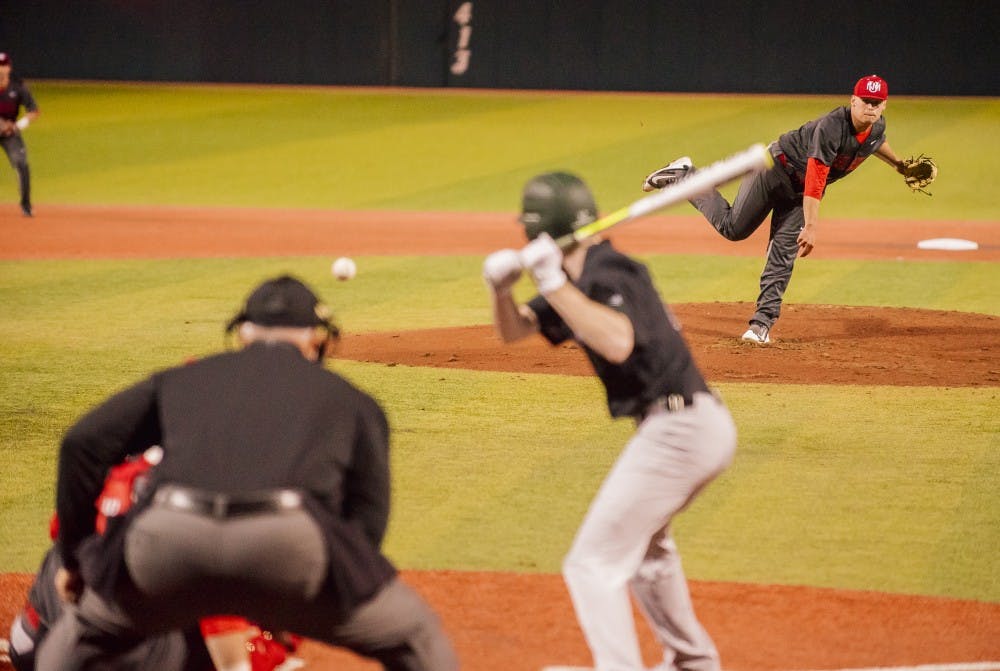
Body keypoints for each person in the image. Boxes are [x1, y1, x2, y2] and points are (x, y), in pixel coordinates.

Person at [36, 274, 459, 671]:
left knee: (77, 640)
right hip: (289, 546)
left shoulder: (183, 379)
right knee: (415, 634)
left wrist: (76, 561)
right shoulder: (352, 400)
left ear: (242, 334)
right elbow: (368, 522)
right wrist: (324, 592)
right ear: (316, 339)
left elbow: (81, 444)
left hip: (168, 540)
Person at [483, 173, 737, 671]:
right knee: (648, 551)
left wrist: (552, 282)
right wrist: (501, 291)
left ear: (537, 229)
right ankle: (693, 662)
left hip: (681, 428)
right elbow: (515, 331)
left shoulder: (609, 270)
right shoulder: (576, 279)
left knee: (592, 563)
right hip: (688, 426)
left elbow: (619, 342)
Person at [642, 74, 910, 344]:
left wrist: (900, 166)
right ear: (853, 101)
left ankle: (761, 324)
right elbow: (815, 179)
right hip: (773, 170)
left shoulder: (876, 127)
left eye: (877, 102)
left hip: (798, 192)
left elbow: (874, 143)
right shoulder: (831, 128)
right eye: (866, 101)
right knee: (733, 228)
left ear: (884, 105)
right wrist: (811, 226)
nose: (871, 107)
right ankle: (684, 175)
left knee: (783, 254)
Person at [8, 446, 299, 671]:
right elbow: (227, 643)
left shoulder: (123, 464)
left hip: (35, 644)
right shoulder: (210, 501)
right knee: (257, 646)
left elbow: (61, 527)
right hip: (125, 654)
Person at [0, 51, 39, 217]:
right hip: (4, 126)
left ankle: (26, 206)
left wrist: (17, 126)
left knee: (21, 164)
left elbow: (34, 111)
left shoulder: (18, 87)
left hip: (11, 134)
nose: (1, 69)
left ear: (9, 68)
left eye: (3, 65)